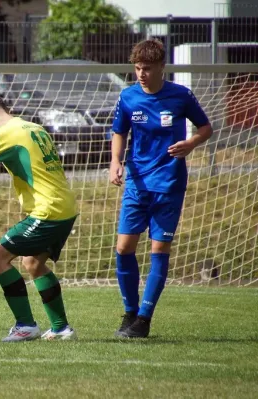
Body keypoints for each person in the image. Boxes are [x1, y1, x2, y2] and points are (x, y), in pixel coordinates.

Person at [110, 39, 212, 338]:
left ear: (161, 68)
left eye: (147, 68)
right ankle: (129, 313)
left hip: (169, 184)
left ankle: (143, 319)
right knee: (124, 247)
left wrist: (191, 143)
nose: (141, 74)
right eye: (138, 68)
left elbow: (205, 127)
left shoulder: (180, 96)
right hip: (137, 184)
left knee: (158, 248)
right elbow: (119, 131)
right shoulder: (128, 97)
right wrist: (115, 162)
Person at [0, 95, 78, 342]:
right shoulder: (35, 128)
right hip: (66, 208)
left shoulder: (5, 133)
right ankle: (61, 329)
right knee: (33, 263)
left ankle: (25, 325)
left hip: (47, 212)